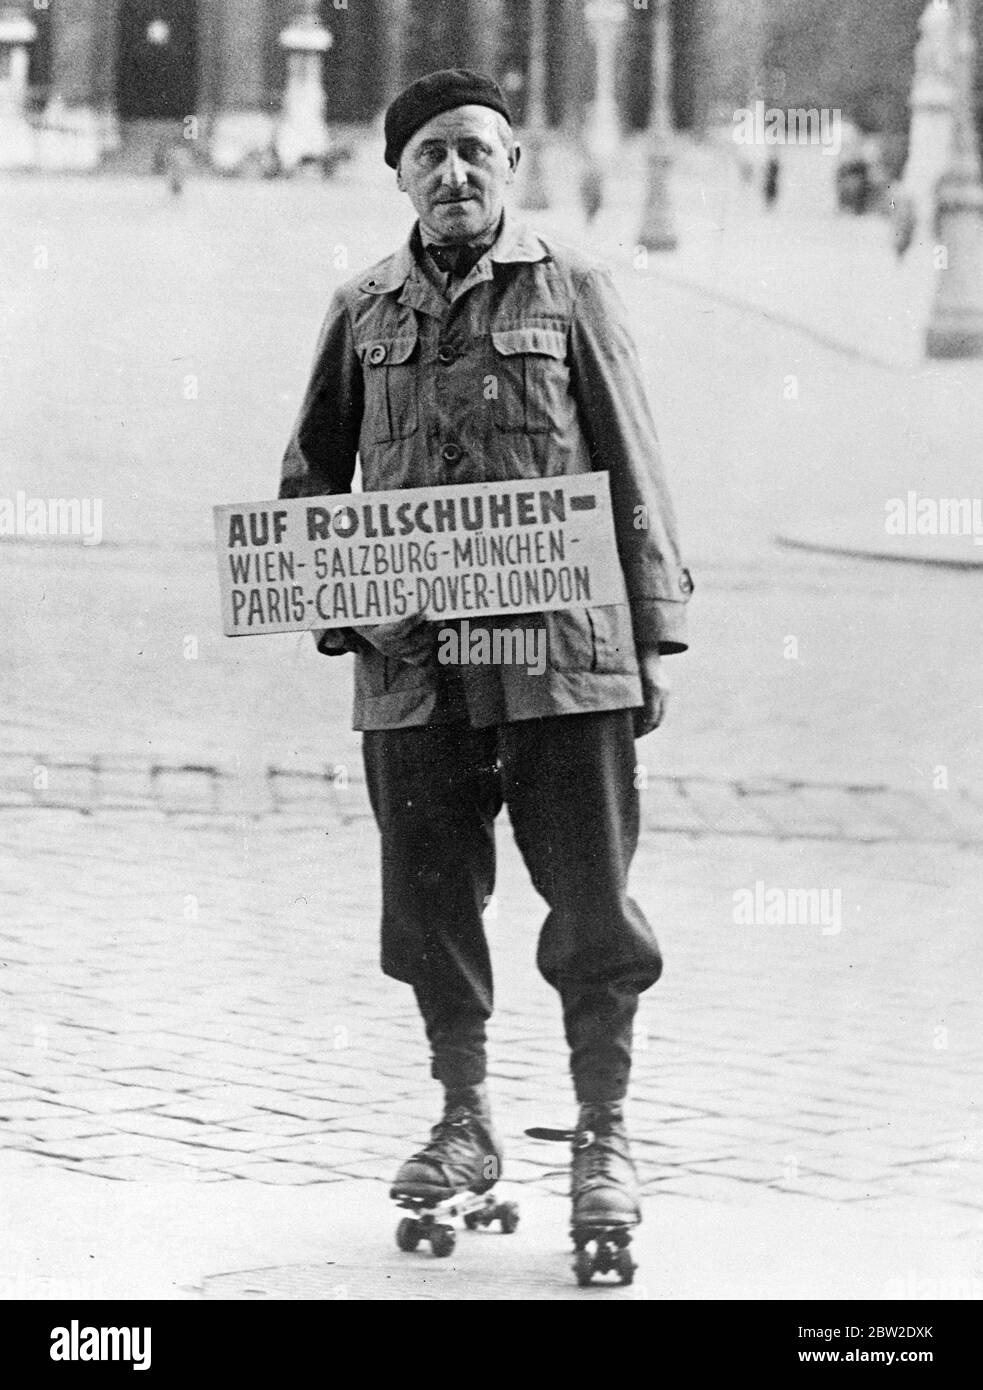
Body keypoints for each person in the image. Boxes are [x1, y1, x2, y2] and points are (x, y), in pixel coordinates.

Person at [279, 69, 693, 1238]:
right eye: (429, 156)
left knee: (592, 904)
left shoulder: (574, 290)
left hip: (562, 657)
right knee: (425, 900)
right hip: (414, 667)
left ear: (509, 165)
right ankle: (461, 1113)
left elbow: (631, 466)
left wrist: (649, 636)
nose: (453, 174)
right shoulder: (362, 307)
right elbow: (311, 474)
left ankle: (602, 1130)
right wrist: (337, 607)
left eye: (474, 151)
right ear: (398, 175)